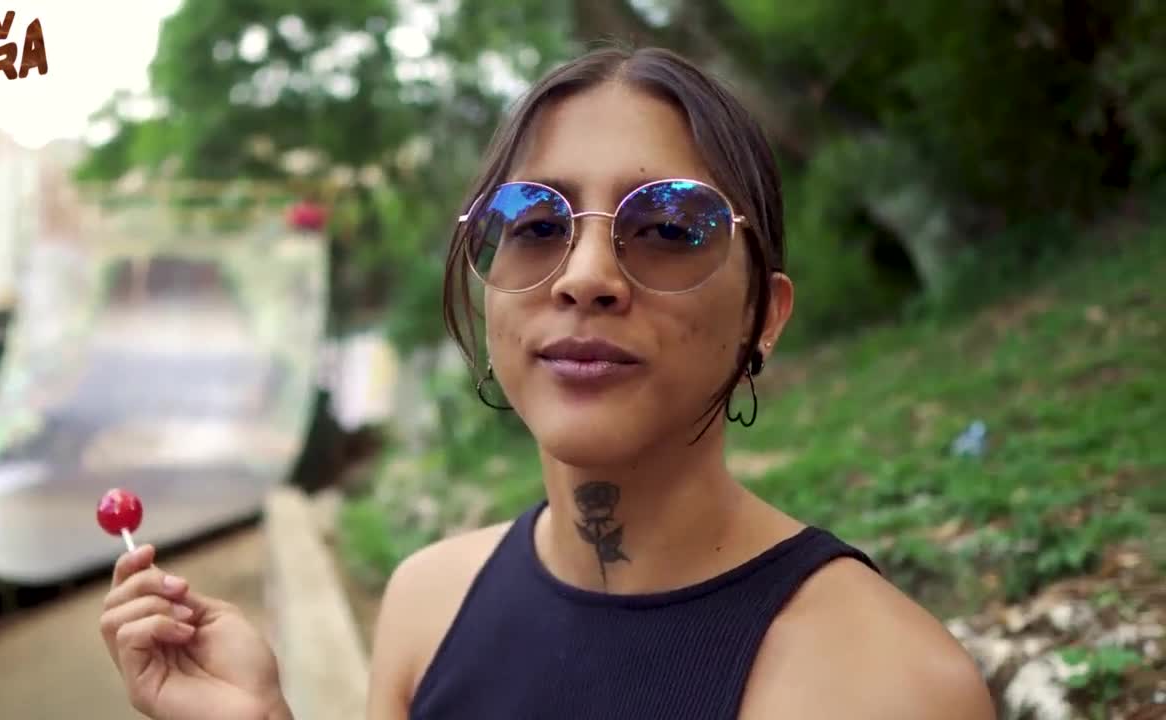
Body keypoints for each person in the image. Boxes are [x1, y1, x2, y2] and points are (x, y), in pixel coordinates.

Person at [100, 46, 996, 720]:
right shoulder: (427, 606)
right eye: (533, 223)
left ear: (765, 313)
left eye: (671, 227)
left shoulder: (888, 685)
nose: (587, 275)